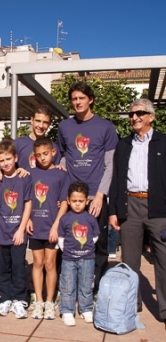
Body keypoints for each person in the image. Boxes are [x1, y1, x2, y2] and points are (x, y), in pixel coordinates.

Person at [109, 98, 166, 327]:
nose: (135, 118)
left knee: (163, 260)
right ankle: (132, 305)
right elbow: (116, 179)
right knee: (130, 262)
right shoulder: (123, 145)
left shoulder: (163, 142)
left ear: (151, 116)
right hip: (130, 207)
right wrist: (113, 211)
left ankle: (164, 309)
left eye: (140, 113)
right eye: (132, 114)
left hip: (159, 209)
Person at [57, 82, 118, 294]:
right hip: (71, 198)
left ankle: (95, 291)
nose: (77, 102)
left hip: (95, 197)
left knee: (97, 246)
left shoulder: (106, 127)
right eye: (74, 99)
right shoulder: (64, 127)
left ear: (90, 99)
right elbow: (64, 156)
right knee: (66, 244)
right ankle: (66, 289)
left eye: (81, 98)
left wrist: (101, 195)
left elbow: (110, 164)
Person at [0, 139, 32, 319]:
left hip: (17, 233)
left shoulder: (24, 178)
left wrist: (21, 229)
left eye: (8, 159)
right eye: (1, 160)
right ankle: (5, 298)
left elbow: (27, 204)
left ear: (16, 158)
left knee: (18, 266)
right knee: (1, 267)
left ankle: (19, 299)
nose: (5, 163)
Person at [26, 137, 69, 320]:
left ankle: (50, 302)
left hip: (52, 226)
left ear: (53, 152)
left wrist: (56, 225)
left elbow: (65, 202)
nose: (42, 158)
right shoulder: (29, 174)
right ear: (34, 157)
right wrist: (27, 218)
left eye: (45, 154)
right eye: (38, 155)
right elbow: (25, 199)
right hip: (35, 226)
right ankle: (39, 301)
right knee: (37, 263)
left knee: (50, 264)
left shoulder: (61, 174)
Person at [58, 181, 100, 326]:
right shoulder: (65, 219)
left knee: (86, 284)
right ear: (68, 201)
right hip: (69, 258)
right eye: (74, 201)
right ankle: (67, 310)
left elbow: (94, 237)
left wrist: (85, 248)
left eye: (81, 201)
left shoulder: (91, 218)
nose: (77, 204)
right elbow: (61, 238)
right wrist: (70, 251)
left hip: (87, 257)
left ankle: (86, 309)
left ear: (87, 201)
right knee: (68, 284)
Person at [14, 105, 61, 169]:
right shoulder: (17, 144)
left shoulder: (53, 147)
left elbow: (55, 173)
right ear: (32, 120)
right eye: (38, 121)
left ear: (49, 124)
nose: (41, 126)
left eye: (45, 122)